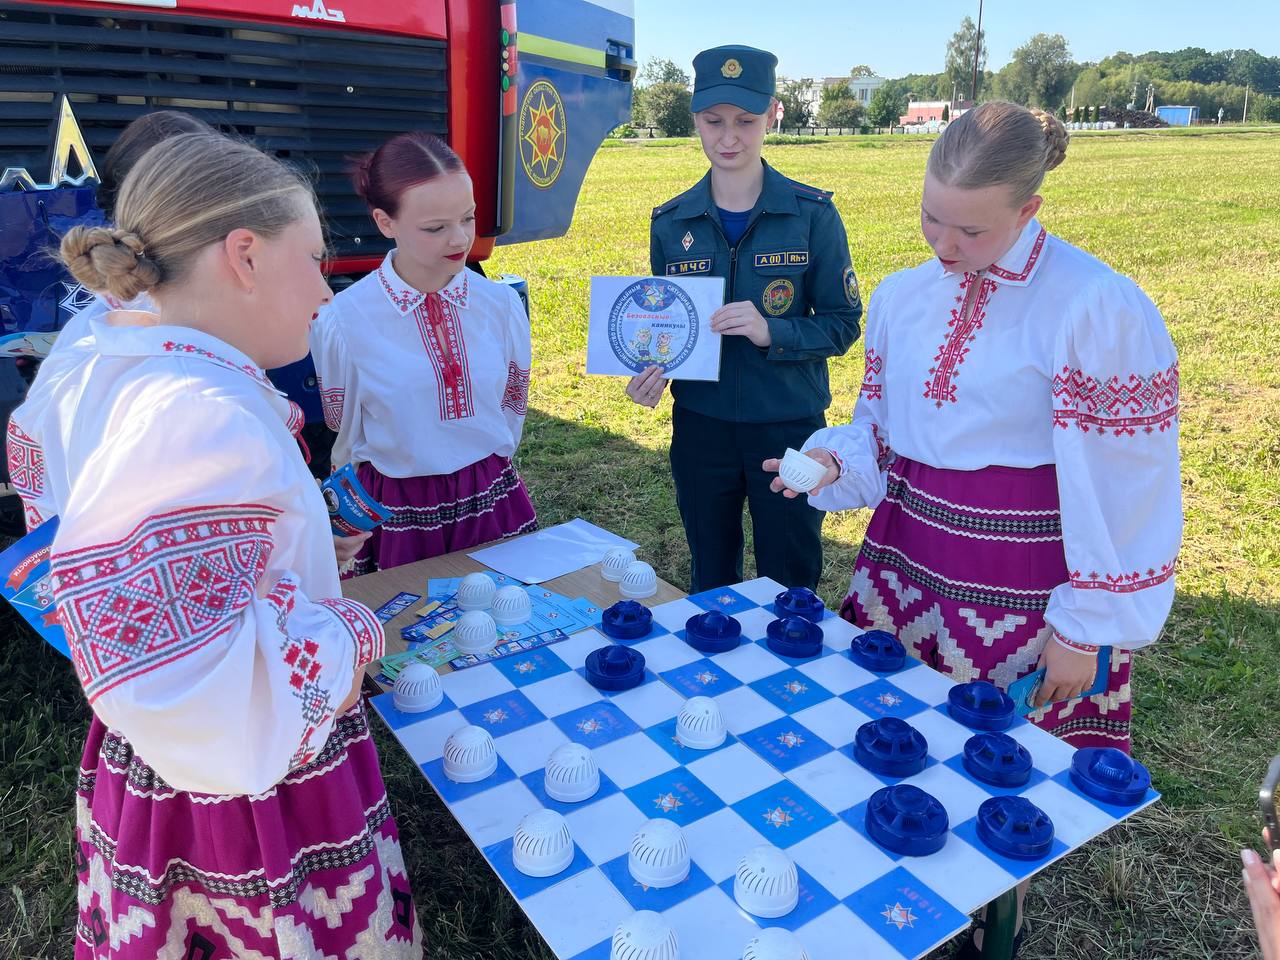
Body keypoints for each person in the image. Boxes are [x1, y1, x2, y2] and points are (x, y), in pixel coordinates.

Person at [766, 101, 1181, 954]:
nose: (944, 246)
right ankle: (889, 888)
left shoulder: (1092, 305)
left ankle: (998, 908)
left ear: (1030, 210)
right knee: (890, 731)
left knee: (997, 761)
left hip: (1023, 581)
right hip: (906, 558)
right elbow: (882, 429)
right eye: (930, 218)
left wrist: (1088, 624)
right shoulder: (901, 297)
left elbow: (1122, 483)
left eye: (971, 230)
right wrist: (842, 462)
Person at [26, 132, 422, 957]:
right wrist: (350, 630)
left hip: (168, 772)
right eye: (313, 259)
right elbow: (197, 688)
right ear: (243, 254)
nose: (324, 289)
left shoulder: (109, 359)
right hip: (239, 788)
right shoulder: (201, 416)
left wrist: (298, 555)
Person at [628, 44, 862, 594]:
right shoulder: (671, 222)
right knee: (710, 572)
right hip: (701, 426)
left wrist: (770, 330)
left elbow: (842, 322)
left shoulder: (811, 215)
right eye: (713, 121)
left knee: (789, 574)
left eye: (746, 120)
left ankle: (792, 674)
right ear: (695, 119)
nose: (728, 137)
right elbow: (667, 327)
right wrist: (650, 374)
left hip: (786, 424)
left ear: (773, 114)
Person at [311, 130, 535, 575]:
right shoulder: (345, 320)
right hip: (397, 510)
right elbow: (344, 432)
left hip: (488, 493)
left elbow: (512, 403)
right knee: (410, 631)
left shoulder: (500, 305)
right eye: (435, 228)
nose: (459, 239)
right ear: (385, 222)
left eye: (468, 218)